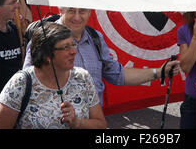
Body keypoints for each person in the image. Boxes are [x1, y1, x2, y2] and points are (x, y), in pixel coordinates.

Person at [23, 7, 179, 106]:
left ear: (90, 11)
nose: (77, 17)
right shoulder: (43, 38)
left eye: (82, 10)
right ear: (60, 9)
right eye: (71, 10)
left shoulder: (95, 37)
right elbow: (27, 84)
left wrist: (159, 72)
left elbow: (117, 74)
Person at [0, 22, 106, 129]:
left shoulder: (82, 77)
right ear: (46, 55)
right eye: (66, 47)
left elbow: (101, 124)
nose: (74, 51)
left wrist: (77, 122)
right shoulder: (20, 83)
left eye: (73, 44)